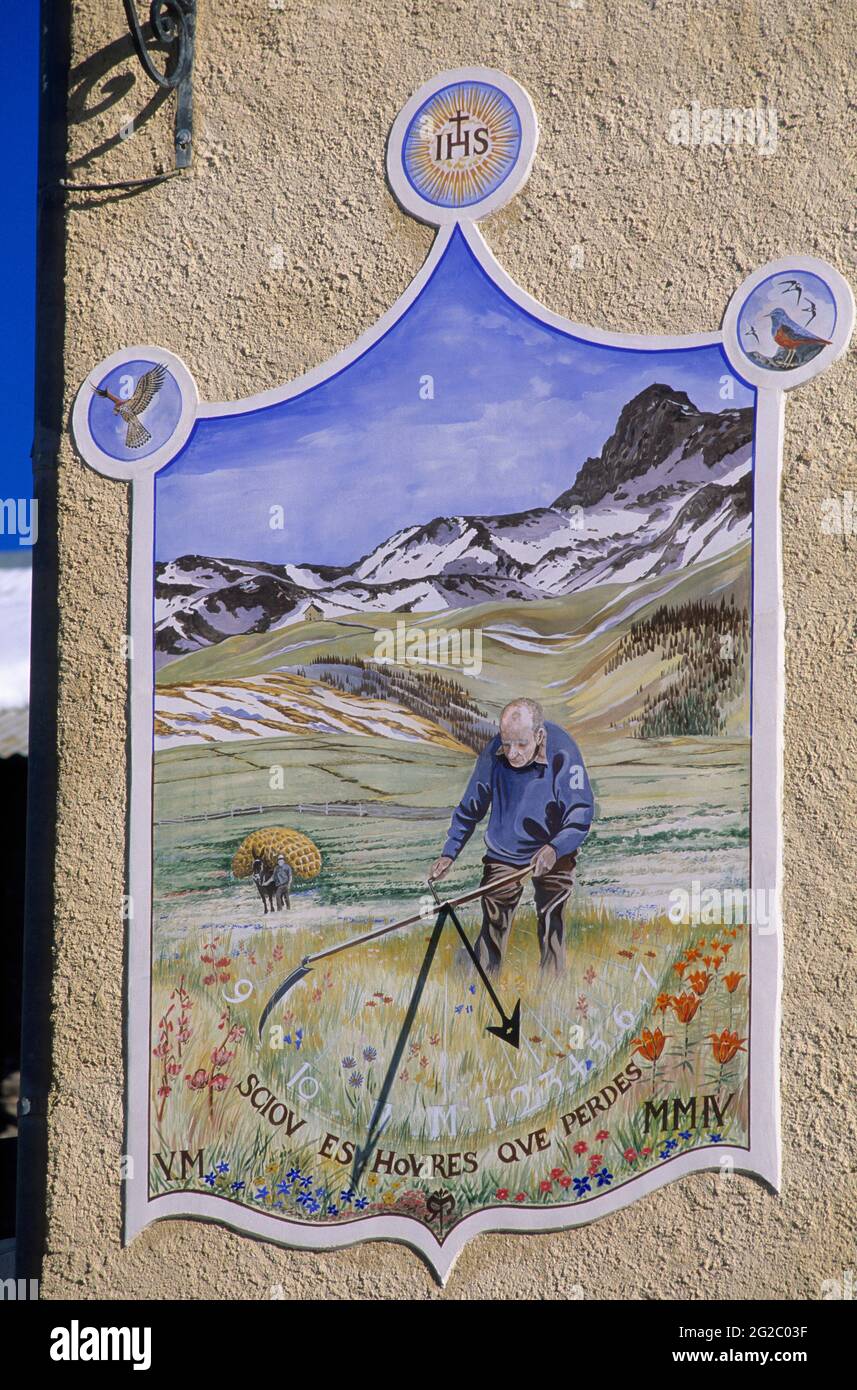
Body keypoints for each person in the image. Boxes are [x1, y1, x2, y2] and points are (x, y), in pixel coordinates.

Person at [429, 698, 593, 975]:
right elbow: (471, 806)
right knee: (494, 916)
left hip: (554, 846)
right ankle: (480, 984)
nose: (512, 753)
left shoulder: (564, 751)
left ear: (539, 736)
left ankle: (552, 989)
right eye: (507, 744)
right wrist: (449, 852)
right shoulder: (494, 752)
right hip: (505, 849)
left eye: (521, 744)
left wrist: (555, 848)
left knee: (552, 915)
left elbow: (580, 812)